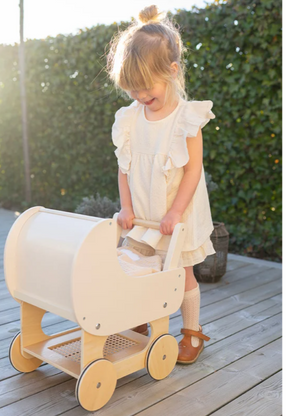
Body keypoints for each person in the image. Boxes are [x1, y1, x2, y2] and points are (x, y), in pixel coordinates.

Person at [107, 4, 214, 364]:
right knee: (138, 265)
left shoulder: (187, 119)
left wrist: (175, 212)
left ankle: (192, 331)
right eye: (132, 89)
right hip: (143, 214)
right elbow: (124, 168)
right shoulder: (129, 119)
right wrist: (126, 207)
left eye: (146, 87)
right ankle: (142, 316)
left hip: (175, 214)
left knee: (180, 272)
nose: (140, 96)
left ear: (171, 71)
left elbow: (193, 172)